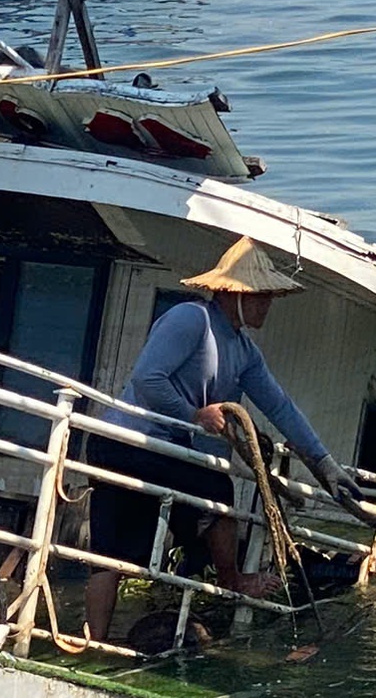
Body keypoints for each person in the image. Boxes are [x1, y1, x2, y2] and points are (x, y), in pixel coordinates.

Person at [82, 237, 361, 639]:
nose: (267, 305)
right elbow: (147, 379)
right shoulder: (192, 319)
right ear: (236, 293)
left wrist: (324, 465)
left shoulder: (245, 351)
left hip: (160, 453)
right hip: (126, 443)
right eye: (262, 296)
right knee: (215, 488)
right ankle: (230, 579)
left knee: (119, 554)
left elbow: (280, 407)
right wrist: (193, 414)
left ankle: (100, 640)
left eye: (270, 297)